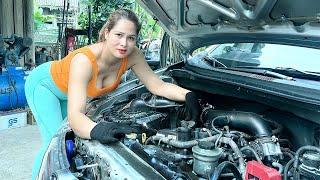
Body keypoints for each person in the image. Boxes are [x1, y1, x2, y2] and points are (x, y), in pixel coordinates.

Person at [25, 9, 200, 179]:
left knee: (71, 140)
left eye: (131, 38)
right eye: (119, 35)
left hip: (68, 92)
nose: (124, 43)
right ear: (107, 33)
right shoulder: (84, 61)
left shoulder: (132, 55)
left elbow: (158, 86)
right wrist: (98, 129)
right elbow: (76, 116)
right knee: (56, 144)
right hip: (45, 87)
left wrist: (188, 95)